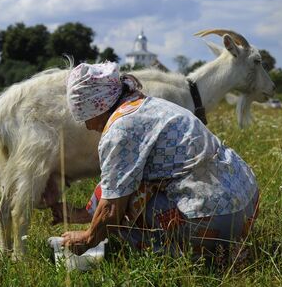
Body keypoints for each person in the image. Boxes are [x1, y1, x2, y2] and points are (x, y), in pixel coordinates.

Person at [59, 62, 259, 260]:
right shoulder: (148, 105)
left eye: (85, 116)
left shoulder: (120, 130)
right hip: (246, 204)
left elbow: (112, 209)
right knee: (120, 179)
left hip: (216, 218)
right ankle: (227, 245)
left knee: (124, 208)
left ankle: (185, 255)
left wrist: (88, 239)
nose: (87, 125)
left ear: (98, 106)